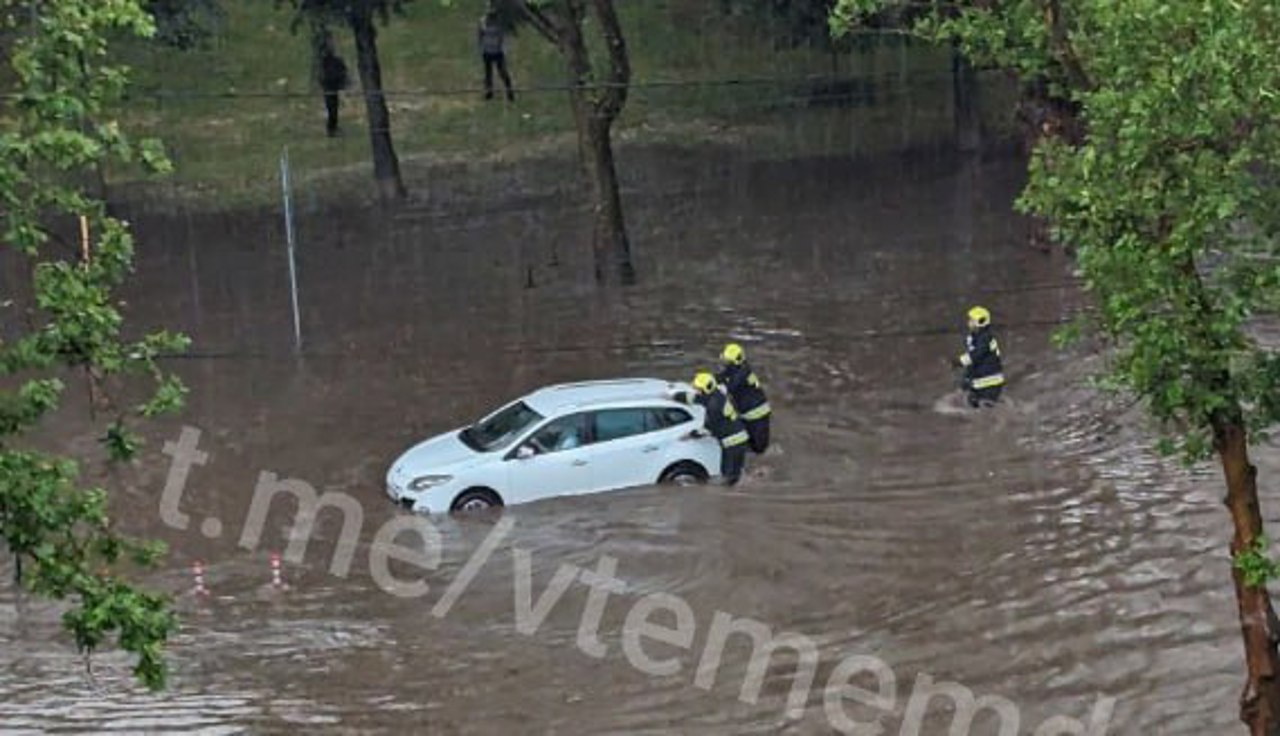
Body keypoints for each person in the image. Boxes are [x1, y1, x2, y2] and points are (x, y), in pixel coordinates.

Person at [690, 371, 750, 485]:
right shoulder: (716, 394)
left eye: (697, 388)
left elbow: (707, 429)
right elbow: (697, 399)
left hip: (733, 442)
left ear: (704, 390)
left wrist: (690, 435)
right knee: (736, 471)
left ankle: (733, 497)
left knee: (728, 475)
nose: (696, 390)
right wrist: (678, 396)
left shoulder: (714, 406)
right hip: (739, 437)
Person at [715, 343, 771, 454]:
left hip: (757, 413)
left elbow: (729, 387)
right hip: (748, 411)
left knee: (759, 447)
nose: (724, 364)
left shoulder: (742, 373)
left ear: (733, 362)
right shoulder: (737, 368)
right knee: (747, 440)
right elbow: (721, 377)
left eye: (727, 361)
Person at [954, 305, 1005, 408]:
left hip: (990, 383)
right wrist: (966, 379)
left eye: (972, 320)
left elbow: (976, 356)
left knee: (984, 406)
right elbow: (973, 363)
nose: (969, 322)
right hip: (980, 382)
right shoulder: (974, 338)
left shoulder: (985, 339)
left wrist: (960, 361)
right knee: (974, 404)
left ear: (980, 322)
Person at [478, 11, 515, 101]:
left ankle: (509, 92)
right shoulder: (483, 22)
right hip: (487, 51)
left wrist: (503, 48)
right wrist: (481, 47)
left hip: (498, 52)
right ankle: (489, 92)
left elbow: (503, 36)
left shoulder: (499, 23)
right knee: (488, 74)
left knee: (503, 72)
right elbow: (480, 35)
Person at [318, 39, 349, 137]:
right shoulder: (325, 63)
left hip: (332, 88)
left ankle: (333, 128)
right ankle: (331, 129)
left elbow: (342, 71)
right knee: (332, 108)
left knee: (334, 108)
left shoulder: (334, 61)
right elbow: (322, 76)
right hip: (329, 88)